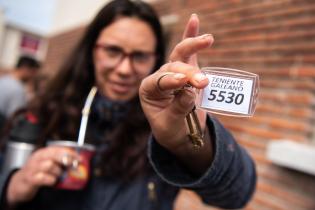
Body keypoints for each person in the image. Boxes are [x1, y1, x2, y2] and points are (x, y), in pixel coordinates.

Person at [0, 0, 256, 209]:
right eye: (112, 51)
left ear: (155, 58)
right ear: (91, 51)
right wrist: (12, 186)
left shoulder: (170, 120)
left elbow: (237, 195)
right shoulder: (42, 115)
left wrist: (189, 143)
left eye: (140, 56)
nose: (124, 69)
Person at [0, 55, 41, 120]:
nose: (34, 76)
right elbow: (16, 117)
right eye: (33, 72)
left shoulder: (3, 80)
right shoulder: (17, 89)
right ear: (25, 69)